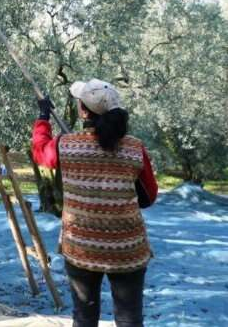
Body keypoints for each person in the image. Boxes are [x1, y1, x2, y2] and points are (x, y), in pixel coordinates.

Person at [32, 79, 158, 327]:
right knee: (130, 319)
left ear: (83, 111)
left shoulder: (66, 145)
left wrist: (43, 117)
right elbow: (149, 196)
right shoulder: (135, 148)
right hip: (127, 248)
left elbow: (40, 152)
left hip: (82, 246)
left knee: (84, 318)